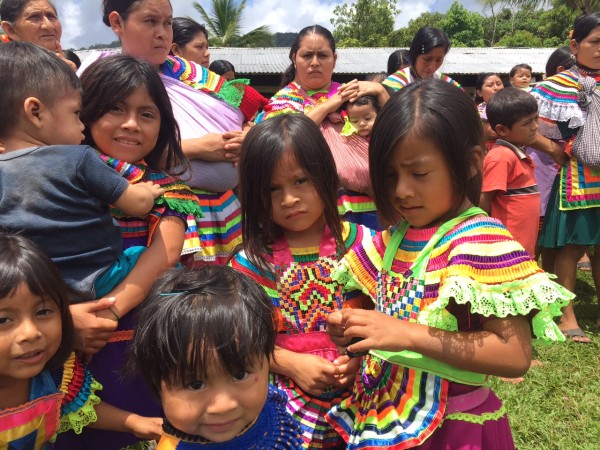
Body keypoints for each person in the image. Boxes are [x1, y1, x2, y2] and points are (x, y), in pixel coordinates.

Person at [325, 79, 572, 449]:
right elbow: (369, 297)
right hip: (388, 415)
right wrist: (350, 324)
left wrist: (404, 333)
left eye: (419, 173)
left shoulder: (481, 243)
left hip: (456, 427)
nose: (401, 190)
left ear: (471, 163)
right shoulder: (394, 238)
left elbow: (514, 353)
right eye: (390, 175)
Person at [54, 54, 204, 449]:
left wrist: (107, 313)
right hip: (64, 341)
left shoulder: (168, 189)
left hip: (143, 341)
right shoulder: (57, 179)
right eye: (116, 108)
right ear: (85, 113)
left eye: (147, 113)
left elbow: (165, 254)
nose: (131, 124)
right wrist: (62, 324)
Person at [230, 114, 375, 448]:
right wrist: (292, 364)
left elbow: (390, 317)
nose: (289, 199)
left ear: (325, 174)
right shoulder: (252, 263)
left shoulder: (367, 247)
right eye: (272, 188)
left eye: (300, 181)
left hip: (364, 394)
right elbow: (234, 340)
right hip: (282, 398)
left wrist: (359, 359)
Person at [85, 0, 267, 266]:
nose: (162, 32)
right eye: (150, 21)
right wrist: (196, 148)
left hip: (225, 215)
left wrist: (248, 135)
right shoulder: (100, 75)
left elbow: (254, 108)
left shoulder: (192, 73)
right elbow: (93, 150)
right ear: (117, 22)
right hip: (156, 218)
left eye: (167, 22)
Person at [0, 42, 164, 310]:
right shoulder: (79, 159)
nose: (81, 124)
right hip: (99, 279)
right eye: (76, 114)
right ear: (35, 112)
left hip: (33, 292)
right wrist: (148, 191)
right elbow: (136, 203)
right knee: (150, 261)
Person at [0, 233, 163, 446]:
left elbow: (77, 407)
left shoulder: (55, 375)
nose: (31, 333)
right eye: (3, 319)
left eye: (43, 312)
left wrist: (133, 423)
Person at [129, 265, 304, 449]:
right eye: (195, 384)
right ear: (157, 383)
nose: (223, 405)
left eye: (239, 375)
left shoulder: (271, 407)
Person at [259, 25, 389, 230]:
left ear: (334, 59)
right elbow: (281, 142)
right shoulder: (282, 102)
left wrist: (381, 92)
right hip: (318, 211)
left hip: (374, 205)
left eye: (323, 55)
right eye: (307, 55)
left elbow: (393, 133)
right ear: (294, 58)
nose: (315, 63)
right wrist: (330, 105)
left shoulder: (353, 94)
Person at [530, 12, 600, 341]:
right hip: (577, 179)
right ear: (575, 45)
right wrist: (554, 150)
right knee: (573, 247)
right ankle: (566, 315)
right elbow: (528, 126)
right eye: (595, 42)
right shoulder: (558, 85)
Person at [480, 87, 540, 257]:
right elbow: (484, 199)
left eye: (536, 119)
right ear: (502, 130)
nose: (535, 126)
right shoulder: (502, 157)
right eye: (527, 123)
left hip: (520, 247)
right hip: (506, 250)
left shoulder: (515, 154)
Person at [0, 0, 76, 69]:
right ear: (11, 30)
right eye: (34, 17)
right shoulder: (5, 76)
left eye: (51, 16)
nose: (48, 25)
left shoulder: (68, 72)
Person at [382, 27, 462, 92]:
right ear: (414, 54)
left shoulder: (447, 84)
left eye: (438, 60)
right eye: (427, 59)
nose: (432, 66)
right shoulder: (392, 85)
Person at [474, 72, 505, 151]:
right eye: (490, 85)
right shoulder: (479, 111)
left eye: (498, 84)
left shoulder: (512, 106)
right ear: (479, 93)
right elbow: (492, 132)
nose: (496, 88)